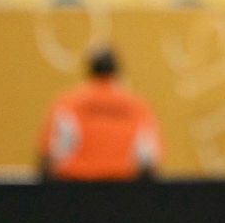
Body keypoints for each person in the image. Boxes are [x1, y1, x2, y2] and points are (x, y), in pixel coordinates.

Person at [37, 48, 163, 181]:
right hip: (122, 185)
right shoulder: (137, 107)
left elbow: (50, 154)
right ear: (117, 71)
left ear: (90, 69)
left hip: (76, 185)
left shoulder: (70, 103)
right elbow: (148, 158)